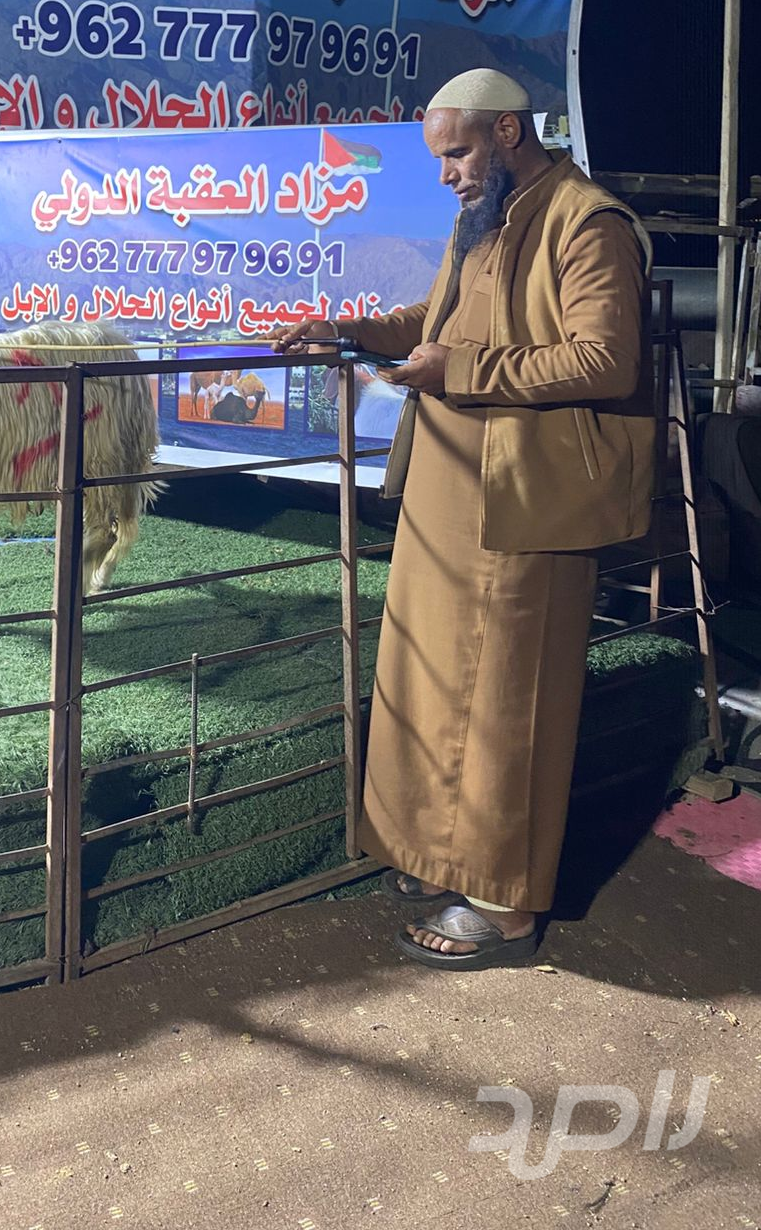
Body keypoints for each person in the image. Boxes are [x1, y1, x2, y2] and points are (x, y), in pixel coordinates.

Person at [273, 68, 654, 969]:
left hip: (528, 503)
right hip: (448, 490)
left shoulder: (586, 222)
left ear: (508, 133)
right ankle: (438, 857)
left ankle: (505, 906)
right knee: (432, 683)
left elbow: (604, 360)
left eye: (456, 153)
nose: (445, 173)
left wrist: (463, 371)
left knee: (506, 702)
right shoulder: (484, 217)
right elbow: (432, 321)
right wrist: (348, 330)